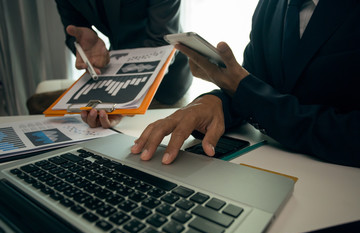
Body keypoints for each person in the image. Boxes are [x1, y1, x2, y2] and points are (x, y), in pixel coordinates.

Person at [131, 0, 360, 167]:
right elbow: (257, 83)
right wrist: (214, 102)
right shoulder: (271, 6)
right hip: (271, 167)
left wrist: (243, 91)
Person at [54, 0, 192, 128]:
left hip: (165, 86)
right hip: (115, 72)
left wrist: (123, 100)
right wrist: (82, 48)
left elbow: (162, 41)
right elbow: (73, 30)